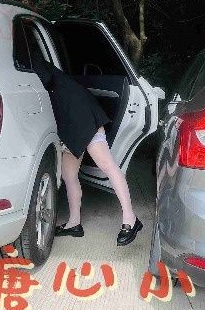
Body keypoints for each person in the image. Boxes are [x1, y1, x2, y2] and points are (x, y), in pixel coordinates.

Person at [32, 53, 142, 246]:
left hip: (81, 117)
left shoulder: (28, 57)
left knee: (107, 166)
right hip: (67, 124)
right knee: (69, 175)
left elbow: (46, 79)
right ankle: (74, 224)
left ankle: (131, 219)